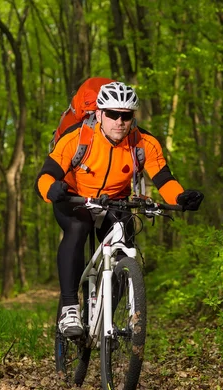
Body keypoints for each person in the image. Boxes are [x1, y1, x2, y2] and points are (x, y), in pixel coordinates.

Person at [35, 81, 204, 336]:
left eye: (126, 115)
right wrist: (51, 189)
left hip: (116, 200)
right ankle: (70, 307)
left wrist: (180, 197)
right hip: (74, 198)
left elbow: (163, 179)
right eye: (112, 114)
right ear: (99, 113)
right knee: (78, 229)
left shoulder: (143, 142)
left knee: (126, 245)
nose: (119, 121)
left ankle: (106, 315)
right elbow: (45, 175)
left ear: (132, 117)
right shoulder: (77, 138)